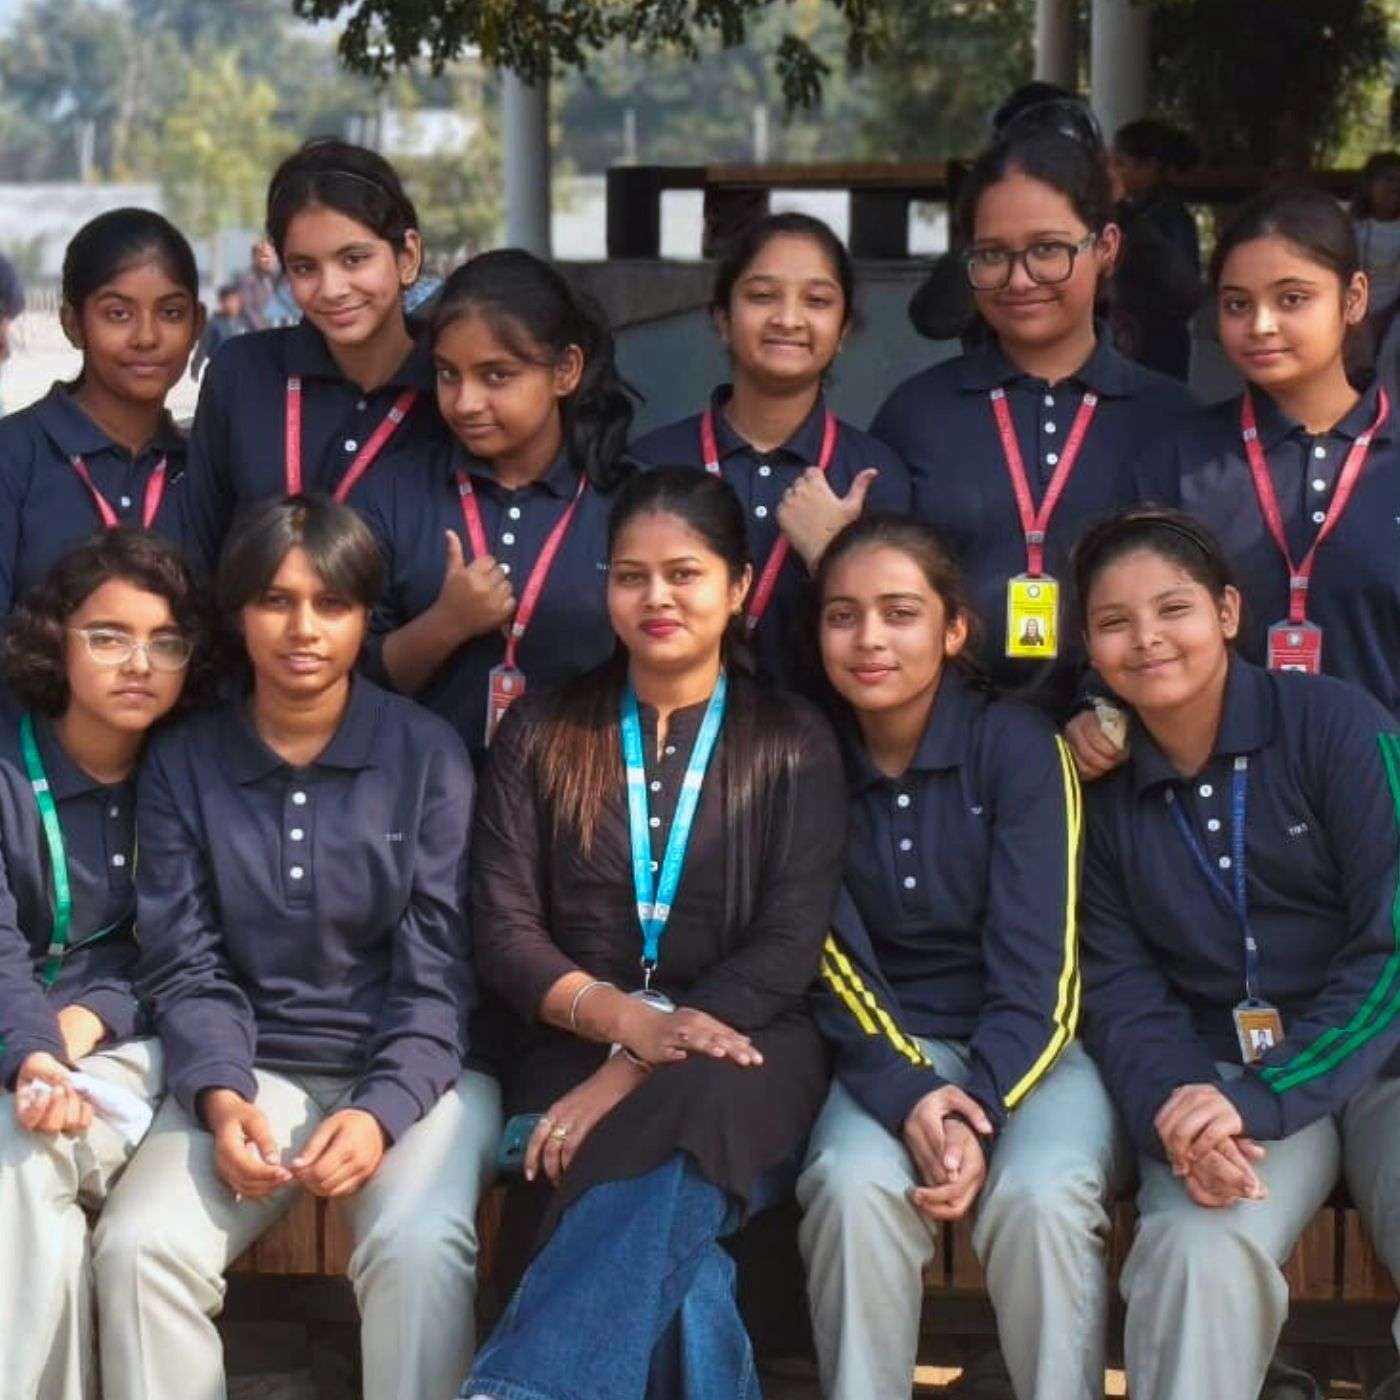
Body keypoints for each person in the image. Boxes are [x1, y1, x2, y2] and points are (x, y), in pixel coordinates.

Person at [89, 496, 499, 1400]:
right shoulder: (187, 759)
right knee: (139, 1248)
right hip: (255, 1071)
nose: (303, 628)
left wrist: (382, 1109)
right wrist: (220, 1092)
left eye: (332, 603)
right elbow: (184, 960)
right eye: (275, 600)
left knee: (419, 1246)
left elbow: (439, 972)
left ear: (365, 616)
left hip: (420, 1075)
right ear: (237, 614)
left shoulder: (426, 753)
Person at [459, 468, 846, 1400]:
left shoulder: (793, 738)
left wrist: (640, 1058)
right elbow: (504, 929)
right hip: (570, 1043)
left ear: (739, 586)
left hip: (746, 1044)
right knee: (685, 1272)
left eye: (685, 574)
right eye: (631, 576)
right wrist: (622, 1025)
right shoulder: (544, 729)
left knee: (690, 1113)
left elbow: (789, 942)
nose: (657, 598)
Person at [1074, 506, 1400, 1400]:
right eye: (1114, 622)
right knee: (1193, 1250)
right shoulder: (1098, 793)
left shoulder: (1337, 724)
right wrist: (1181, 1122)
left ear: (1226, 612)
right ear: (1089, 649)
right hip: (1222, 1076)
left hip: (1382, 1065)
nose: (1147, 639)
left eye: (1172, 608)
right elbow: (1120, 994)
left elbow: (1393, 946)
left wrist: (1269, 1093)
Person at [797, 514, 1123, 1400]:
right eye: (842, 616)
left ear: (953, 630)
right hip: (885, 1050)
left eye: (900, 614)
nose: (870, 639)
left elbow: (1045, 967)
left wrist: (977, 1109)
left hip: (1032, 1053)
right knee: (848, 1187)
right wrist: (910, 1091)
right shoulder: (805, 758)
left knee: (1042, 1196)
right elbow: (826, 958)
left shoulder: (1019, 747)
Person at [1071, 187, 1399, 781]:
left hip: (1385, 785)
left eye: (1292, 298)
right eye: (1237, 304)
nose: (1261, 326)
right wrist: (1098, 711)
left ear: (1353, 298)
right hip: (1215, 793)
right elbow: (1123, 617)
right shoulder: (1179, 460)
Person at [871, 126, 1195, 721]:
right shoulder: (915, 413)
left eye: (1048, 249)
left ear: (1106, 247)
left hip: (1130, 746)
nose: (1019, 280)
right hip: (948, 744)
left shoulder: (1173, 420)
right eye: (992, 255)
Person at [0, 528, 214, 1400]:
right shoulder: (9, 767)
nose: (140, 665)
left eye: (166, 643)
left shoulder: (194, 770)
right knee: (31, 1184)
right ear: (56, 639)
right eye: (109, 637)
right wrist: (35, 1049)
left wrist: (88, 1022)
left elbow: (195, 950)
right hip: (26, 1036)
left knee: (22, 1155)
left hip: (134, 1043)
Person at [357, 249, 635, 762]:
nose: (465, 402)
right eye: (448, 374)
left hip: (585, 794)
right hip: (420, 795)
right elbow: (351, 681)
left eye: (496, 376)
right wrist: (446, 624)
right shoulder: (393, 491)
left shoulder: (627, 503)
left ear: (566, 370)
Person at [627, 213, 910, 693]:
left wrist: (832, 553)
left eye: (817, 301)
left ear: (843, 331)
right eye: (762, 296)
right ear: (722, 319)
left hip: (829, 733)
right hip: (670, 732)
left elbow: (901, 647)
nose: (788, 319)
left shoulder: (875, 474)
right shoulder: (650, 465)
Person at [182, 139, 449, 573]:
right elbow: (198, 554)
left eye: (354, 259)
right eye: (304, 268)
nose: (331, 289)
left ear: (408, 256)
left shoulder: (453, 388)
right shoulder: (242, 373)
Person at [0, 209, 203, 614]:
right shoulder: (14, 455)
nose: (146, 337)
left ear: (197, 325)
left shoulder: (204, 465)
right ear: (72, 323)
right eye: (118, 314)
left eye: (171, 313)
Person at [1110, 118, 1203, 381]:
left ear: (1148, 166)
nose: (1115, 172)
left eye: (1121, 164)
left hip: (1155, 344)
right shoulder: (1141, 215)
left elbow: (1183, 289)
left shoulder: (1164, 218)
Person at [191, 283, 253, 381]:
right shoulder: (214, 323)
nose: (234, 304)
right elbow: (202, 349)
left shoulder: (242, 321)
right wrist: (195, 370)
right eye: (230, 301)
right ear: (222, 303)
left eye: (236, 300)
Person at [236, 238, 299, 332]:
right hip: (257, 330)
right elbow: (248, 309)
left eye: (271, 255)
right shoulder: (248, 280)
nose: (268, 260)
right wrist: (264, 330)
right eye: (263, 256)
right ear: (254, 258)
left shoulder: (278, 277)